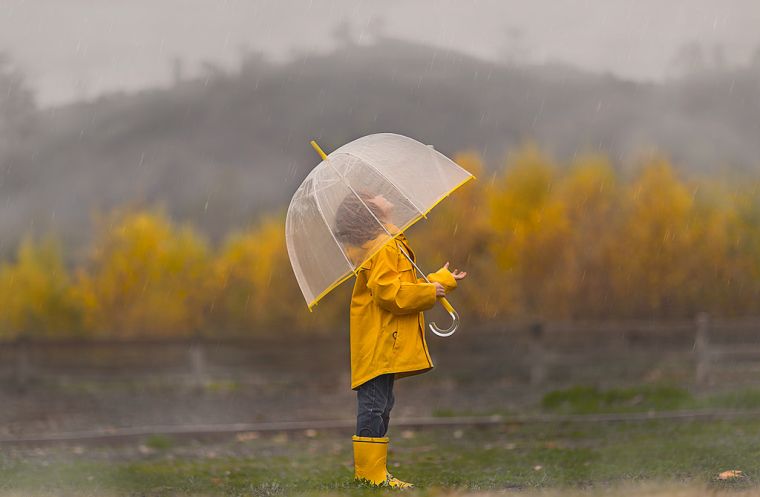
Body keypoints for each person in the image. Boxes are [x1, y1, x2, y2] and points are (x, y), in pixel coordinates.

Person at [334, 191, 467, 488]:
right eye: (375, 195)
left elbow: (401, 285)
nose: (383, 195)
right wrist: (428, 293)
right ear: (369, 211)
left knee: (382, 404)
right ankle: (368, 477)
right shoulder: (383, 248)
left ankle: (376, 474)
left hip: (384, 341)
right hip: (379, 342)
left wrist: (439, 283)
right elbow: (389, 293)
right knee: (373, 406)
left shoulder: (390, 244)